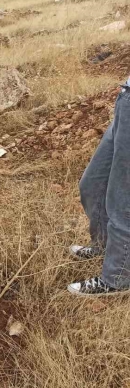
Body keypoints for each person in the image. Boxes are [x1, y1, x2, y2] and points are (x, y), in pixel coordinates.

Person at [67, 78, 130, 296]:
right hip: (127, 98)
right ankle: (104, 246)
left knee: (123, 199)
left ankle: (118, 277)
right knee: (93, 184)